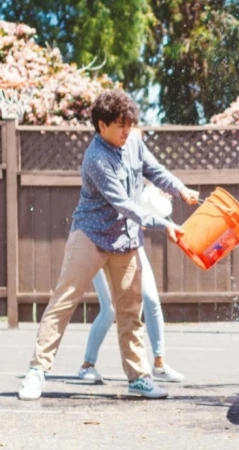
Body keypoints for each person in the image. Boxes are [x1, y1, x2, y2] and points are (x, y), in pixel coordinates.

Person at [17, 89, 199, 401]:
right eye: (120, 125)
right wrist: (164, 224)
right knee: (63, 302)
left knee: (131, 310)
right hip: (90, 235)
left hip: (125, 239)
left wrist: (181, 189)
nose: (127, 130)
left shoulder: (134, 140)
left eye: (130, 123)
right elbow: (125, 204)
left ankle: (139, 378)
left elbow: (153, 170)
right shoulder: (96, 159)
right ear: (102, 126)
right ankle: (37, 372)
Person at [77, 185, 184, 384]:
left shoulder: (141, 176)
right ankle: (87, 366)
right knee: (109, 310)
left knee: (151, 300)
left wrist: (165, 191)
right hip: (99, 241)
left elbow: (154, 184)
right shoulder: (107, 172)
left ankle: (159, 364)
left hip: (130, 245)